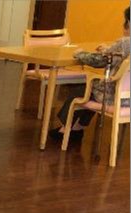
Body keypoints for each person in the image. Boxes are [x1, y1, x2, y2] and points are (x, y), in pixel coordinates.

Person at [50, 6, 130, 141]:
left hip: (114, 97)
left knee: (83, 90)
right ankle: (78, 127)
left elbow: (98, 61)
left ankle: (65, 129)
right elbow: (116, 57)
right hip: (128, 99)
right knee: (91, 91)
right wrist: (108, 50)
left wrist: (79, 53)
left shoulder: (125, 42)